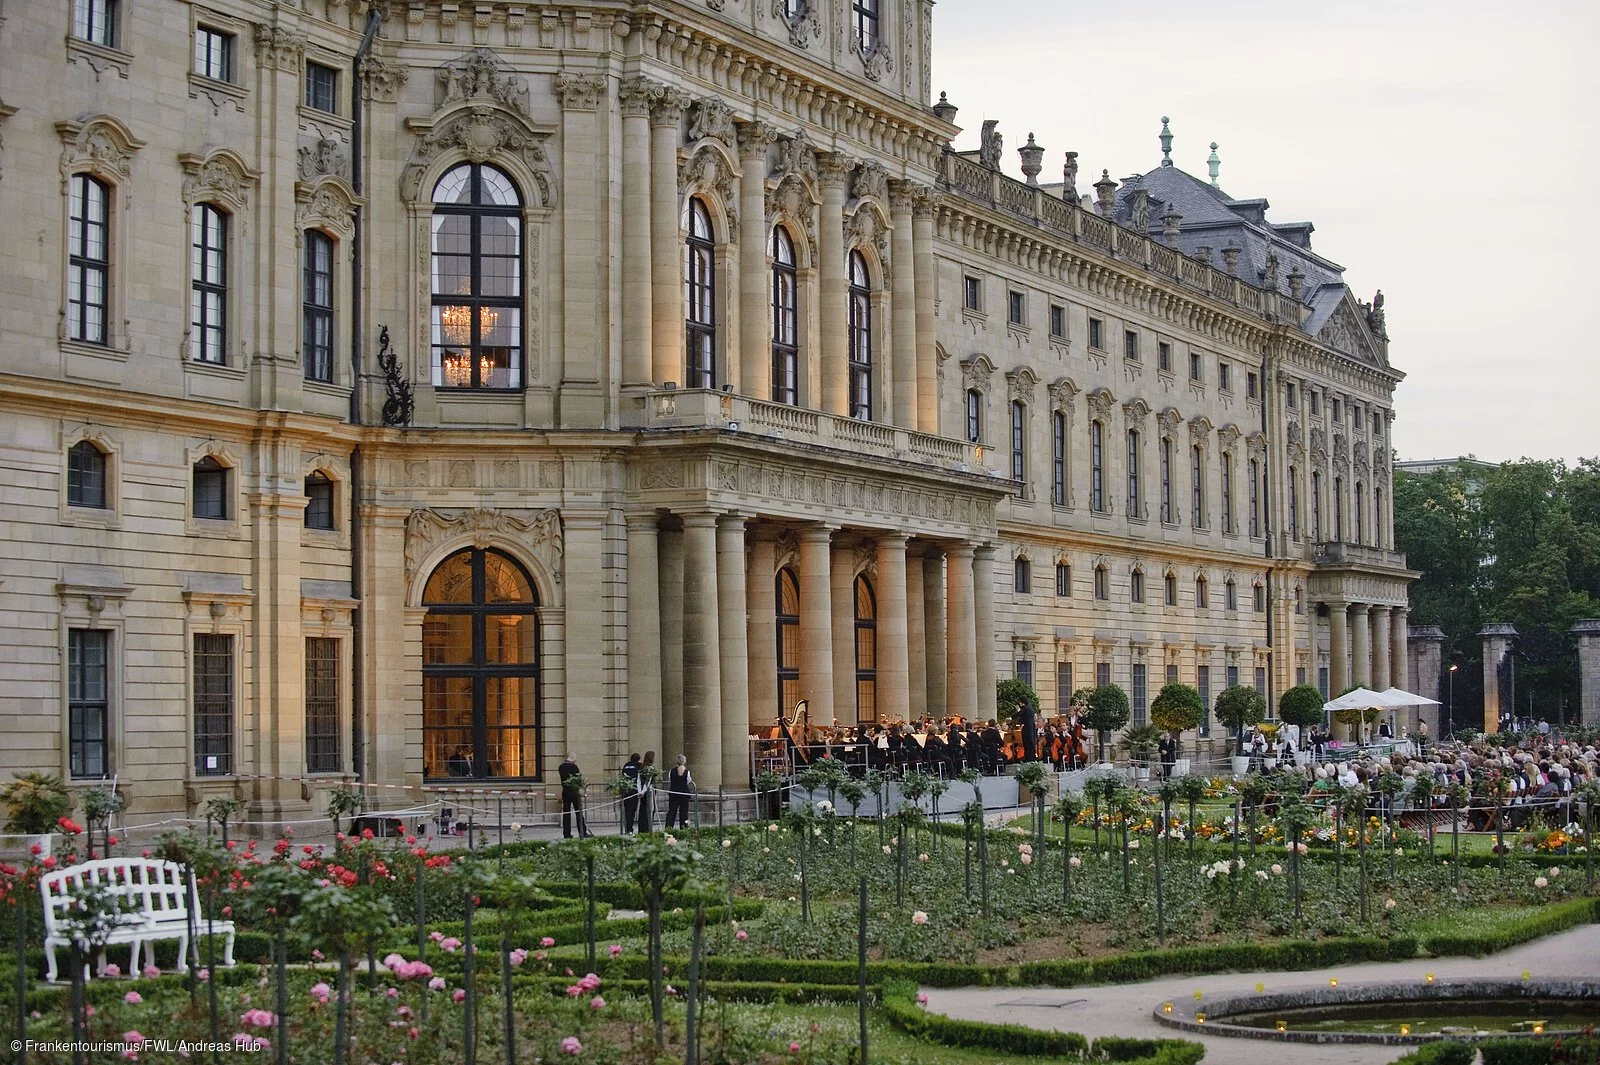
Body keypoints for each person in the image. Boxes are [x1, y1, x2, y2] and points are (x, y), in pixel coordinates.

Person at [558, 752, 592, 839]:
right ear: (572, 757)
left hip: (565, 791)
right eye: (575, 758)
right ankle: (582, 832)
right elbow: (578, 779)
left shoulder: (561, 767)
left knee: (566, 813)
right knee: (578, 812)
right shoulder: (574, 767)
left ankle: (567, 834)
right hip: (574, 791)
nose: (576, 760)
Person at [665, 754, 695, 829]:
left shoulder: (671, 771)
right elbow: (688, 781)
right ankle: (684, 828)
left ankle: (668, 828)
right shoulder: (687, 772)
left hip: (674, 793)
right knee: (684, 813)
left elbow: (670, 780)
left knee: (671, 812)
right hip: (684, 793)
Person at [621, 752, 642, 834]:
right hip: (634, 790)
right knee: (632, 810)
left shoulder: (626, 765)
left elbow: (623, 775)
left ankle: (627, 827)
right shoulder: (638, 766)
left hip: (626, 790)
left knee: (627, 810)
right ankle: (630, 828)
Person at [637, 751, 656, 833]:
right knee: (649, 810)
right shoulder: (650, 768)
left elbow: (638, 781)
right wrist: (643, 791)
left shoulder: (641, 768)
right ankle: (647, 828)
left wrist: (639, 791)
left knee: (642, 810)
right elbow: (648, 781)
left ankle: (642, 828)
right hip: (648, 792)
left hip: (642, 792)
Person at [1018, 699, 1039, 763]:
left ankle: (1028, 760)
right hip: (1031, 731)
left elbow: (1020, 713)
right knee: (1031, 747)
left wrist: (1017, 711)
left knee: (1027, 747)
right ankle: (1032, 759)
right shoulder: (1030, 708)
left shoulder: (1025, 708)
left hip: (1027, 731)